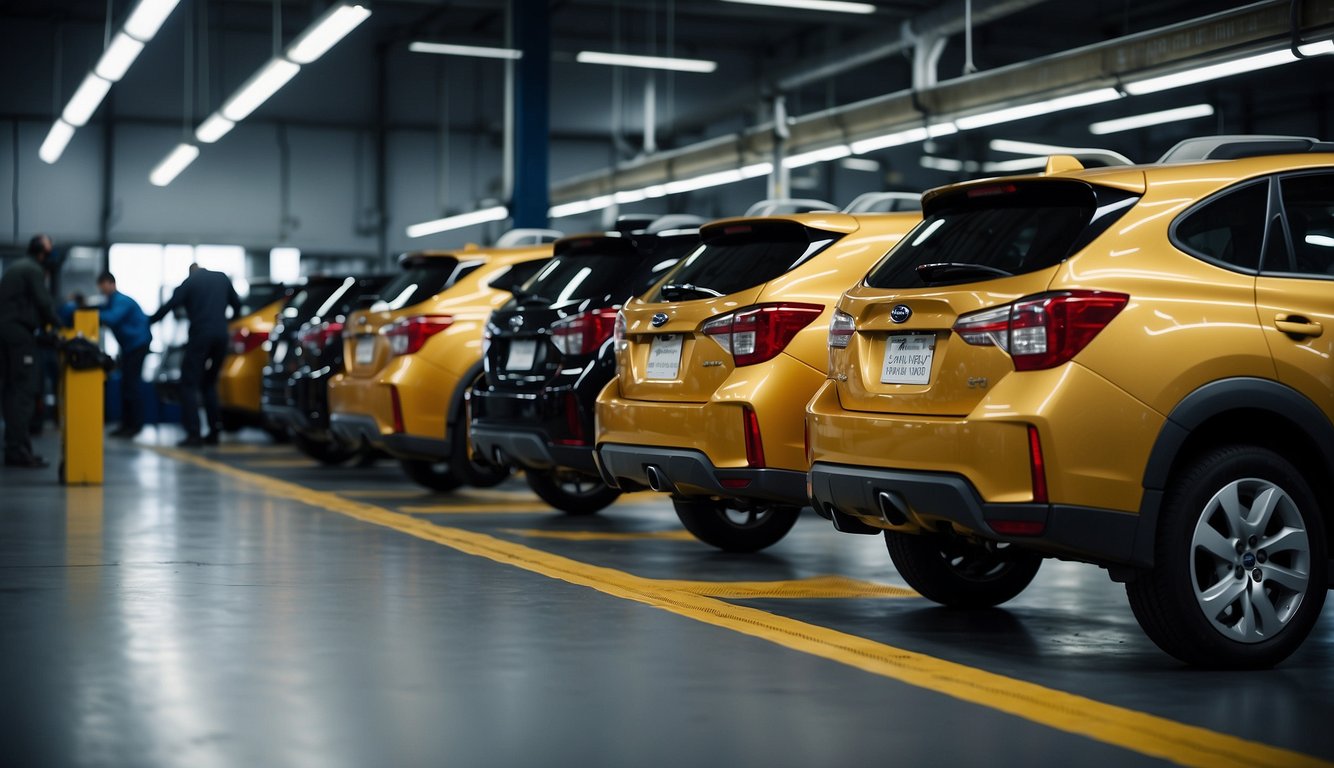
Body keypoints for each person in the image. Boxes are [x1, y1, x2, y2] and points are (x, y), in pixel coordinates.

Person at [149, 264, 241, 447]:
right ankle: (214, 433)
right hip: (221, 337)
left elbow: (170, 305)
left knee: (188, 383)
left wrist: (149, 320)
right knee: (209, 383)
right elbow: (237, 305)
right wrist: (227, 323)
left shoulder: (190, 282)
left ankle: (194, 434)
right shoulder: (222, 277)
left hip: (200, 336)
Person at [0, 234, 60, 467]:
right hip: (17, 335)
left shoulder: (19, 267)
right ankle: (17, 451)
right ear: (42, 252)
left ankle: (15, 447)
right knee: (23, 392)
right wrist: (60, 327)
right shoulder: (32, 269)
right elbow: (44, 303)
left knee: (12, 391)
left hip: (8, 334)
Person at [94, 272, 152, 438]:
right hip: (129, 347)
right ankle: (127, 424)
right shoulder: (112, 301)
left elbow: (112, 318)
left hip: (137, 345)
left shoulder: (121, 301)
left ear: (111, 284)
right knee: (126, 384)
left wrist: (90, 315)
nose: (101, 289)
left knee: (131, 385)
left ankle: (134, 425)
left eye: (103, 284)